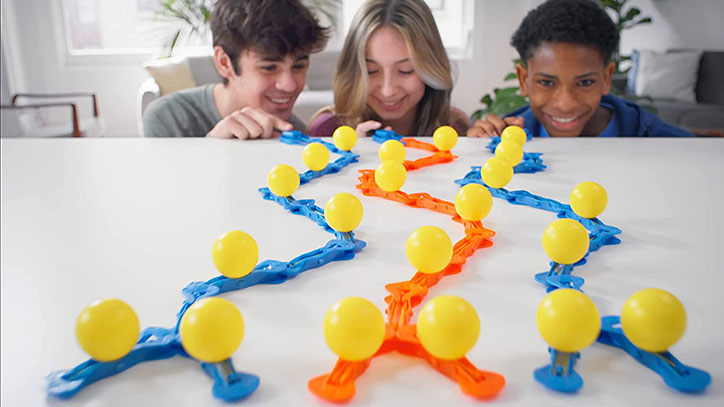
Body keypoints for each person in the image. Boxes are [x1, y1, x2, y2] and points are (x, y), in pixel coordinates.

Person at [467, 0, 692, 138]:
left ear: (606, 78)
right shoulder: (505, 137)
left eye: (584, 82)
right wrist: (474, 149)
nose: (565, 104)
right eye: (546, 82)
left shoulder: (660, 140)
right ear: (524, 80)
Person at [143, 0, 329, 139]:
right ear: (224, 63)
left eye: (298, 66)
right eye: (269, 67)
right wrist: (213, 148)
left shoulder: (291, 131)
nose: (290, 85)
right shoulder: (170, 118)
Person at [307, 0, 470, 138]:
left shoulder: (454, 128)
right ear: (353, 71)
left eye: (406, 70)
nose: (388, 91)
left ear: (431, 67)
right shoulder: (327, 131)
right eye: (371, 70)